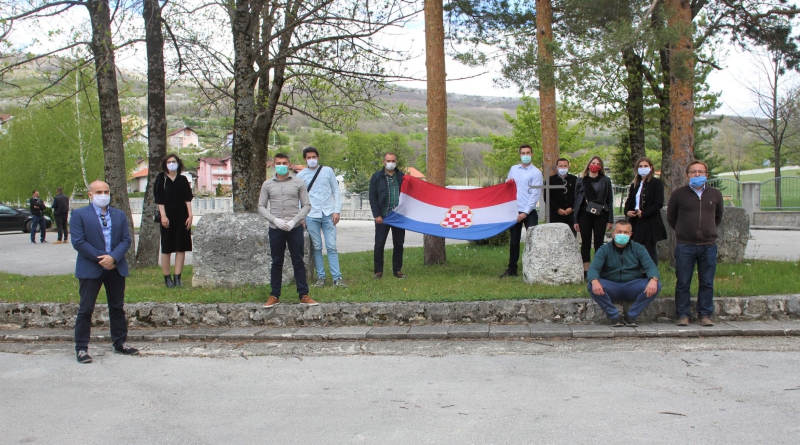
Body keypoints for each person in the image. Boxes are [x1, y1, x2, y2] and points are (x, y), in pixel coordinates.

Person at [70, 180, 139, 363]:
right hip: (91, 268)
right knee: (86, 309)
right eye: (99, 191)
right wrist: (102, 258)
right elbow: (79, 242)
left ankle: (120, 342)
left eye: (106, 191)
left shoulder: (119, 215)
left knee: (117, 307)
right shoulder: (79, 215)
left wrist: (113, 258)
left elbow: (126, 240)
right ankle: (82, 348)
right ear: (90, 195)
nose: (103, 195)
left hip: (115, 267)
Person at [667, 160, 724, 327]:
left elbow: (718, 217)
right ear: (687, 175)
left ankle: (705, 314)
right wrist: (683, 231)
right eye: (693, 172)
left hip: (708, 245)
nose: (697, 175)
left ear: (706, 174)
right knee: (683, 281)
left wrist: (708, 230)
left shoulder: (715, 194)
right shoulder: (678, 194)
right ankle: (683, 315)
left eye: (700, 172)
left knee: (706, 281)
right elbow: (671, 218)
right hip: (685, 245)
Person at [258, 153, 316, 308]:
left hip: (294, 227)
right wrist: (274, 220)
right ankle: (274, 295)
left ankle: (303, 294)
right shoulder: (267, 184)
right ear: (274, 165)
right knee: (276, 261)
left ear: (289, 165)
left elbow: (307, 205)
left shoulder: (298, 183)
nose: (281, 165)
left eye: (284, 162)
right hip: (276, 227)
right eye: (278, 163)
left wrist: (294, 221)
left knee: (298, 261)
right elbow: (261, 206)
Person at [587, 220, 662, 327]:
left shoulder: (639, 248)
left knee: (657, 285)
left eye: (625, 232)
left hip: (633, 285)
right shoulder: (604, 249)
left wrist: (653, 279)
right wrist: (594, 281)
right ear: (613, 233)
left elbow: (650, 266)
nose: (622, 234)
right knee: (591, 285)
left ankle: (631, 316)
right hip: (611, 286)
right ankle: (614, 317)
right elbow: (593, 268)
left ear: (630, 234)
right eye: (619, 231)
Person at [297, 147, 347, 288]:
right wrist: (302, 216)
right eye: (308, 157)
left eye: (314, 157)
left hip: (328, 213)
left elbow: (336, 191)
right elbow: (299, 197)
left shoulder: (327, 171)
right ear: (305, 159)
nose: (311, 159)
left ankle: (337, 278)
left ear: (318, 157)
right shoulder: (301, 175)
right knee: (317, 247)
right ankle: (321, 277)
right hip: (311, 215)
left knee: (331, 246)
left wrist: (336, 211)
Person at [499, 144, 542, 277]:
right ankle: (512, 269)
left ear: (532, 154)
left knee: (532, 240)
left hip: (529, 212)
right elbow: (508, 185)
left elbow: (535, 194)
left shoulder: (536, 172)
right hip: (514, 210)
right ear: (519, 154)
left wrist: (525, 213)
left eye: (528, 153)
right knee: (514, 241)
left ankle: (533, 269)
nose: (525, 155)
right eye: (523, 153)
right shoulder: (513, 169)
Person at [154, 154, 194, 288]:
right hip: (167, 215)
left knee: (180, 247)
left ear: (178, 163)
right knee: (166, 247)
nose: (171, 163)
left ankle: (178, 277)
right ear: (165, 164)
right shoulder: (161, 178)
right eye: (169, 162)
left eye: (174, 161)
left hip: (182, 215)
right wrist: (163, 216)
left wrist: (190, 215)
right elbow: (159, 198)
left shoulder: (183, 179)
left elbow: (187, 198)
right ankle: (167, 278)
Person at [573, 156, 614, 279]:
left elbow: (610, 200)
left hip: (600, 215)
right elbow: (576, 200)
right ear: (589, 164)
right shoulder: (581, 180)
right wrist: (575, 219)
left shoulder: (606, 180)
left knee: (599, 243)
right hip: (584, 215)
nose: (595, 165)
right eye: (593, 163)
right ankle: (586, 270)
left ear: (600, 167)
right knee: (585, 243)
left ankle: (598, 269)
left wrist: (610, 220)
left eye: (597, 163)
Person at [369, 152, 407, 279]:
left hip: (398, 216)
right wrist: (377, 215)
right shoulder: (377, 177)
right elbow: (372, 197)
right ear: (383, 162)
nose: (391, 163)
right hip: (383, 216)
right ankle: (378, 271)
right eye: (388, 160)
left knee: (399, 244)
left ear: (396, 162)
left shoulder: (402, 177)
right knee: (379, 244)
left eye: (393, 160)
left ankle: (397, 270)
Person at [624, 157, 667, 265]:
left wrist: (644, 213)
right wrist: (627, 211)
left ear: (651, 168)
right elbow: (629, 201)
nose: (643, 168)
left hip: (650, 221)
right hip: (636, 222)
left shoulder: (656, 183)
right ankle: (638, 273)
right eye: (640, 166)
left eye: (645, 166)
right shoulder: (635, 184)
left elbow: (658, 203)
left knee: (649, 249)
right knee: (635, 248)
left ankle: (651, 274)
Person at [546, 157, 581, 236]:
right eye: (561, 166)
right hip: (555, 215)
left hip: (571, 215)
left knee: (571, 238)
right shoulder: (550, 180)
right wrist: (558, 209)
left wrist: (572, 208)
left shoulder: (575, 180)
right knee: (555, 238)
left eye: (565, 166)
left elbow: (578, 196)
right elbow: (547, 197)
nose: (563, 168)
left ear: (568, 167)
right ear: (557, 167)